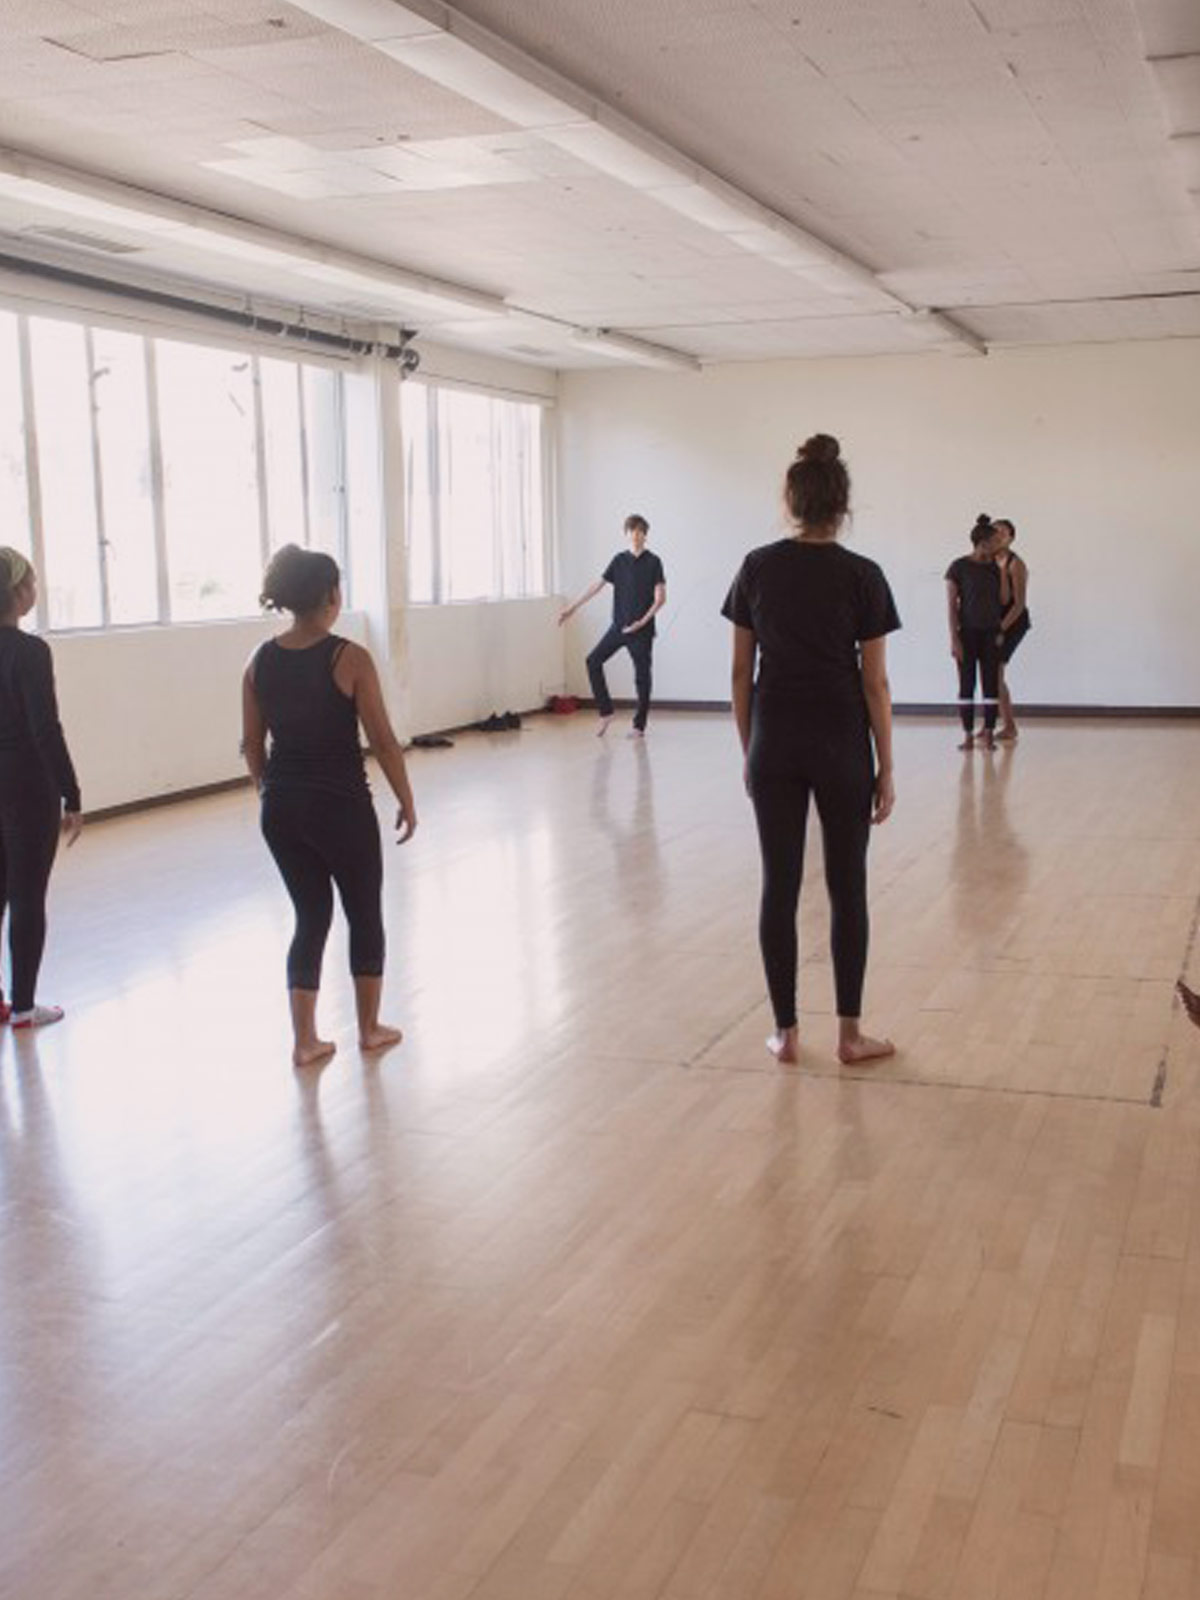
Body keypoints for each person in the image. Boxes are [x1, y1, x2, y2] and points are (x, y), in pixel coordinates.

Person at [722, 434, 898, 1067]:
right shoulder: (863, 575)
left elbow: (740, 673)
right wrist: (887, 765)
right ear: (841, 506)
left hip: (775, 739)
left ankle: (786, 1033)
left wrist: (751, 748)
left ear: (791, 502)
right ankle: (850, 1036)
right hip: (842, 742)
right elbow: (874, 682)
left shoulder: (756, 567)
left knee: (780, 884)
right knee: (848, 887)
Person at [241, 545, 416, 1068]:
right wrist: (406, 798)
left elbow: (252, 745)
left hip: (282, 808)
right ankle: (368, 1028)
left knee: (309, 916)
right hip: (341, 807)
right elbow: (383, 741)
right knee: (363, 911)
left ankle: (305, 1041)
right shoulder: (350, 658)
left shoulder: (258, 660)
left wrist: (268, 792)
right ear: (332, 596)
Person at [0, 548, 83, 1030]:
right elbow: (44, 729)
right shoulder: (30, 652)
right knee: (27, 893)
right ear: (17, 593)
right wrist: (72, 794)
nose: (36, 589)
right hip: (26, 784)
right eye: (31, 581)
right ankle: (25, 1007)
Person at [558, 514, 666, 737]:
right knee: (593, 661)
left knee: (642, 677)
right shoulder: (619, 560)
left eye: (639, 531)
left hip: (641, 631)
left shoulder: (654, 562)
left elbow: (660, 599)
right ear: (626, 534)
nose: (635, 535)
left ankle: (639, 726)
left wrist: (642, 622)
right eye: (631, 531)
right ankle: (606, 712)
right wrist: (573, 608)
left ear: (645, 535)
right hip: (618, 628)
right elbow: (597, 586)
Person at [946, 514, 1003, 751]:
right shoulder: (958, 567)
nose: (998, 546)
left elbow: (1004, 600)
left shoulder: (995, 568)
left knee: (991, 684)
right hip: (967, 634)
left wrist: (1001, 629)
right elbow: (951, 606)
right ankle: (967, 735)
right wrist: (954, 638)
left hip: (991, 633)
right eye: (994, 542)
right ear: (982, 542)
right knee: (966, 685)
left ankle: (989, 733)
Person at [992, 517, 1030, 742]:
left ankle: (1010, 726)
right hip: (994, 622)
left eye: (1003, 533)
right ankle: (991, 724)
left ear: (1011, 538)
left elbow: (1018, 605)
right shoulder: (987, 560)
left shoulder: (1016, 564)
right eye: (995, 531)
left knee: (995, 673)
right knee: (990, 673)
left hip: (1013, 623)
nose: (998, 536)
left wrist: (1000, 629)